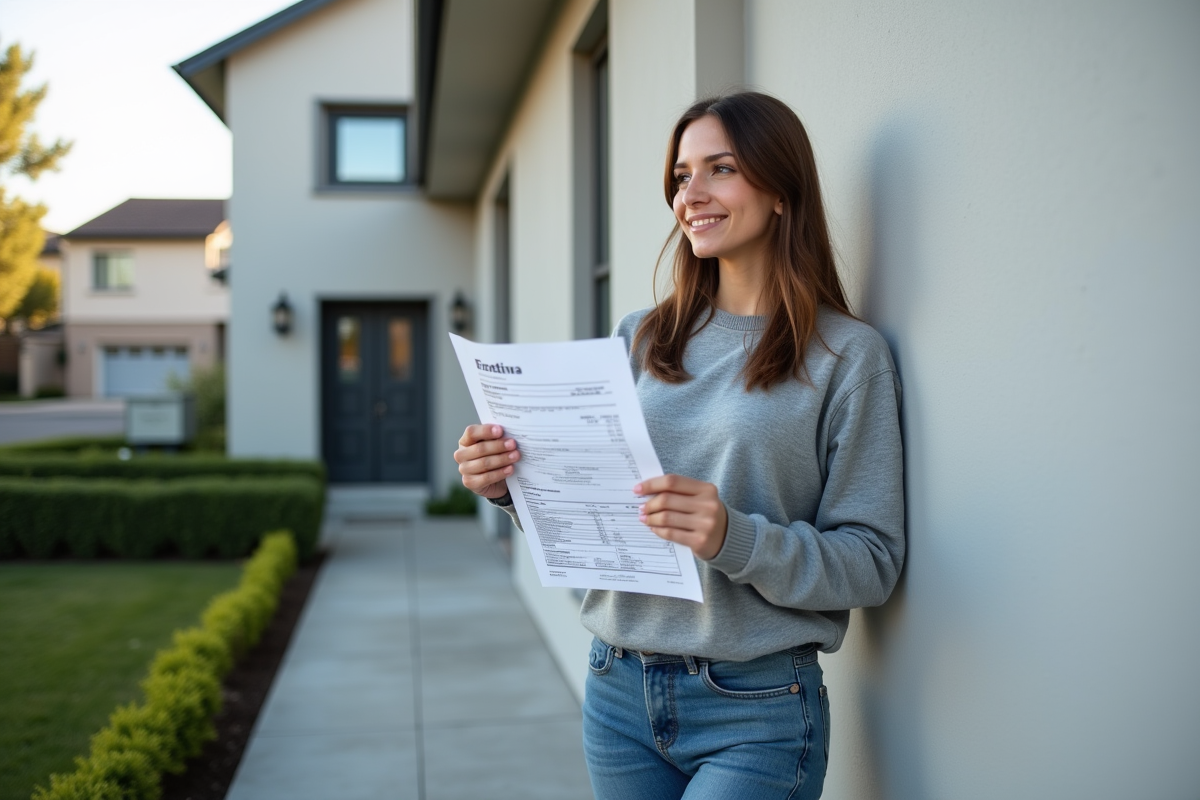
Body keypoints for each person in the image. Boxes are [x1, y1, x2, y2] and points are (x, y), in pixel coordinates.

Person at [453, 92, 904, 800]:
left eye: (718, 169)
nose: (689, 194)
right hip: (617, 689)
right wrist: (512, 484)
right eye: (681, 175)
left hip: (756, 708)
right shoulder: (639, 338)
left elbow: (873, 563)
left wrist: (735, 537)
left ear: (782, 190)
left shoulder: (847, 357)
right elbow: (596, 508)